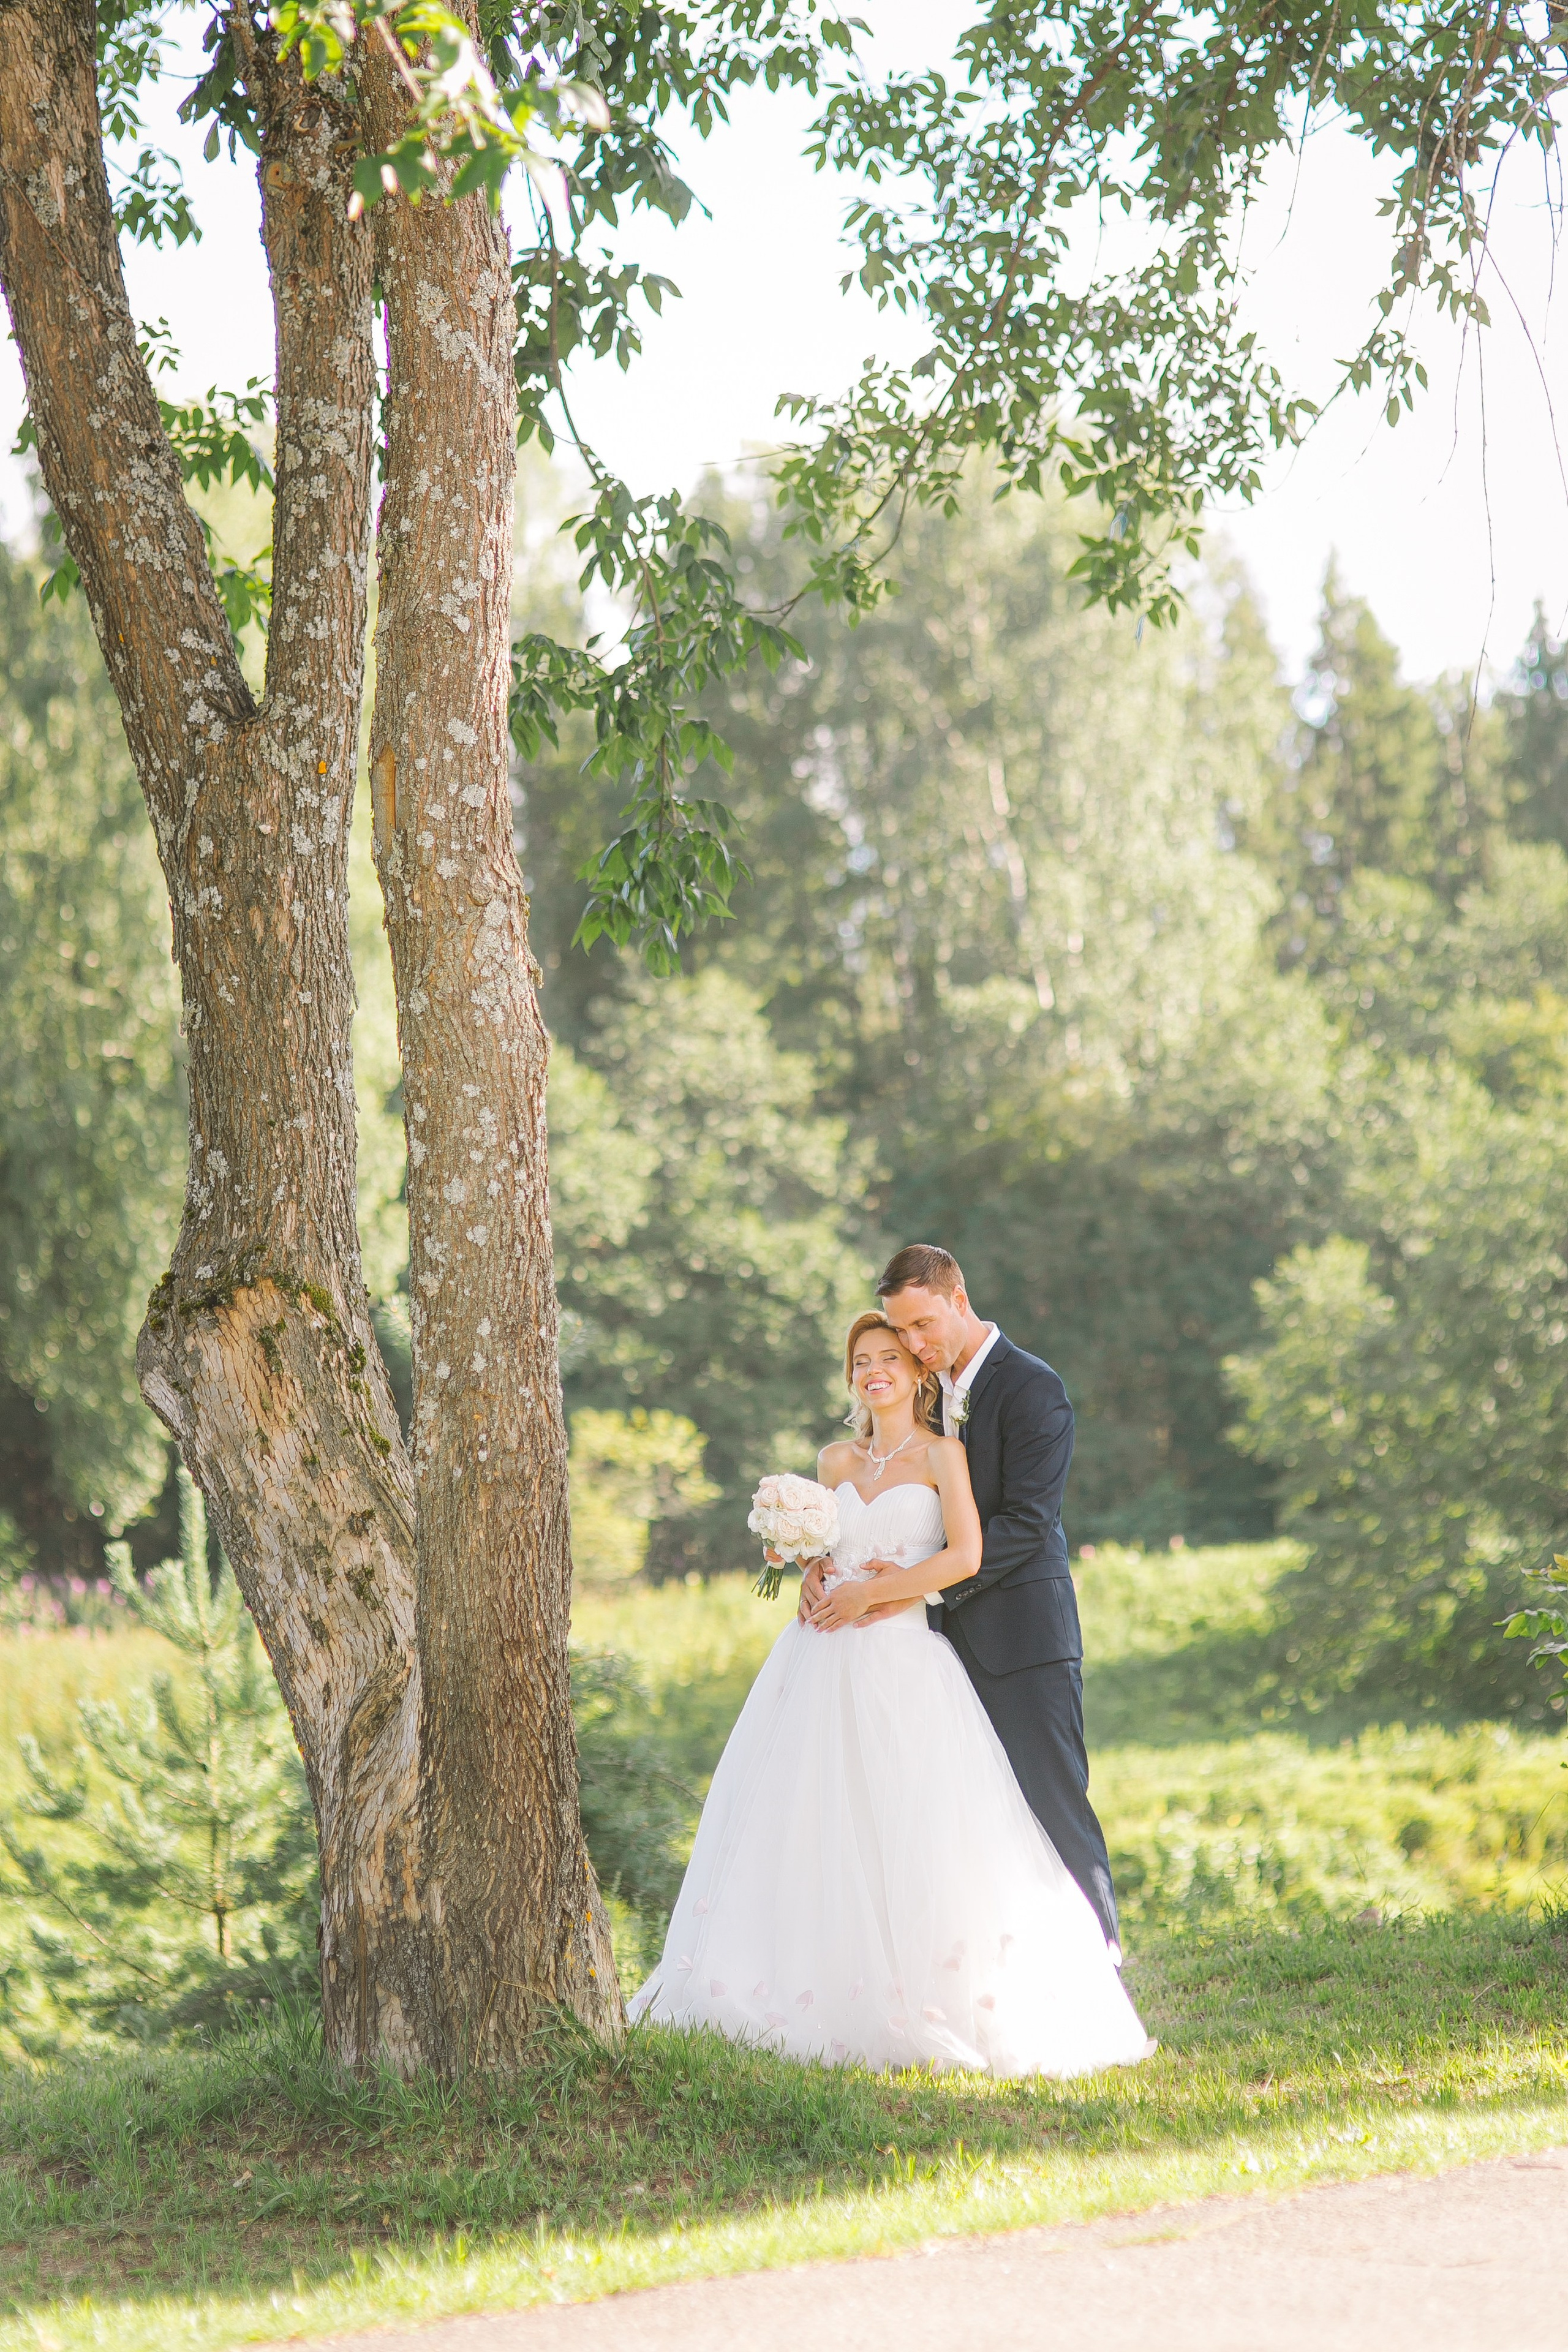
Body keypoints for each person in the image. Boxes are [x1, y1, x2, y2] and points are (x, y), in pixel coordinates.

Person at [628, 1311, 1152, 2079]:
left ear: (915, 1372)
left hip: (902, 1655)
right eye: (861, 1360)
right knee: (810, 1816)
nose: (875, 1371)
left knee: (915, 1821)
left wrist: (882, 1597)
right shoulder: (834, 1460)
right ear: (851, 1377)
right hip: (818, 1659)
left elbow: (966, 1553)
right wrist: (808, 1572)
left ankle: (928, 1993)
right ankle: (802, 1985)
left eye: (889, 1358)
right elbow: (823, 1548)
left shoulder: (946, 1455)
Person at [816, 1242, 1122, 1958]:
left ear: (959, 1300)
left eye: (923, 1326)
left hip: (1022, 1640)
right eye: (902, 1333)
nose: (914, 1345)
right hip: (930, 1645)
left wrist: (911, 1581)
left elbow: (1027, 1522)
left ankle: (1102, 1959)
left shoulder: (1031, 1388)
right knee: (970, 1815)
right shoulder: (927, 1393)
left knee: (1052, 1801)